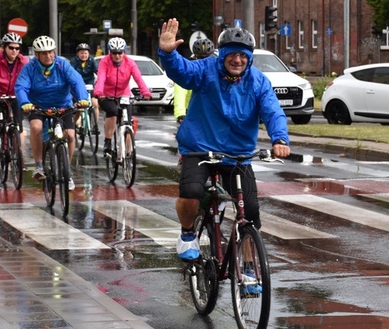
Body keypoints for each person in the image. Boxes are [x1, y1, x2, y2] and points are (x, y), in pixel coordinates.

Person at [157, 19, 290, 261]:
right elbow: (182, 72)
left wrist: (279, 139)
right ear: (223, 55)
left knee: (249, 213)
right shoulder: (206, 69)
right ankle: (188, 233)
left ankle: (250, 270)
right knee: (191, 191)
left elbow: (273, 111)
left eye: (243, 55)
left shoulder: (258, 81)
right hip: (199, 148)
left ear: (249, 57)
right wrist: (168, 54)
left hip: (237, 153)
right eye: (232, 55)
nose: (237, 60)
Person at [15, 35, 90, 191]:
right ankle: (38, 166)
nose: (48, 56)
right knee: (36, 128)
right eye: (44, 53)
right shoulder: (29, 68)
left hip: (63, 106)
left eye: (51, 52)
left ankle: (66, 172)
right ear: (36, 55)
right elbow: (21, 87)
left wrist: (83, 98)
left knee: (69, 135)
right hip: (38, 106)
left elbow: (76, 81)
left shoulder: (62, 65)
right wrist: (25, 103)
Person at [93, 37, 152, 156]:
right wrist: (99, 91)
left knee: (128, 121)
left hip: (124, 94)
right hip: (106, 95)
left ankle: (128, 147)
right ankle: (108, 142)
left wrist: (145, 92)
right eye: (114, 53)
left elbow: (138, 78)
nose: (117, 55)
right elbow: (101, 77)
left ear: (124, 52)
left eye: (120, 52)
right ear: (110, 52)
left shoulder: (130, 63)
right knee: (113, 112)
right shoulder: (105, 62)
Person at [0, 34, 30, 151]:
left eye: (17, 48)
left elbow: (30, 77)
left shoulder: (23, 61)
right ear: (4, 47)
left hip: (15, 95)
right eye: (11, 47)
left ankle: (19, 156)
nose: (14, 50)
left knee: (18, 126)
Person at [173, 36, 216, 123]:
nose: (204, 62)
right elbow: (180, 92)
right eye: (201, 58)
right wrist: (180, 113)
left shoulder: (218, 70)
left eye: (207, 58)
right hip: (193, 111)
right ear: (195, 57)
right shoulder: (189, 70)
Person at [69, 42, 100, 119]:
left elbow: (98, 71)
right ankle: (75, 125)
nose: (84, 55)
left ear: (89, 54)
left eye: (85, 53)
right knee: (79, 107)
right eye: (81, 53)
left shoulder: (92, 60)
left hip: (89, 85)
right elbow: (70, 73)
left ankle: (95, 126)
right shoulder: (73, 61)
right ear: (77, 54)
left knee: (95, 104)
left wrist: (100, 80)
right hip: (77, 86)